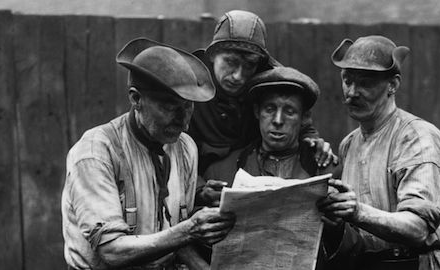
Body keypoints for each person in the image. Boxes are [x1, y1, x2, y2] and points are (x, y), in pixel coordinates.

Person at [61, 38, 235, 270]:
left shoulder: (185, 147)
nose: (184, 123)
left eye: (188, 107)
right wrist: (189, 230)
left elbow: (176, 238)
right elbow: (112, 252)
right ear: (136, 99)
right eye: (169, 107)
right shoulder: (95, 152)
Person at [317, 36, 440, 270]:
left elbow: (418, 227)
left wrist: (357, 211)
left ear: (393, 85)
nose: (352, 92)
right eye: (347, 80)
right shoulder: (349, 144)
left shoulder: (417, 138)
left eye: (365, 83)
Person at [199, 66, 337, 270]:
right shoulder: (221, 172)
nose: (278, 121)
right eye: (270, 109)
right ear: (257, 112)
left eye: (289, 112)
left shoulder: (327, 171)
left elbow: (350, 247)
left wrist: (337, 224)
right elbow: (201, 242)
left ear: (304, 118)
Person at [188, 10, 336, 180]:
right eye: (230, 62)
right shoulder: (190, 91)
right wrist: (199, 190)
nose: (238, 76)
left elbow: (301, 123)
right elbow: (179, 153)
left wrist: (313, 144)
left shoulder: (268, 83)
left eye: (249, 65)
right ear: (213, 55)